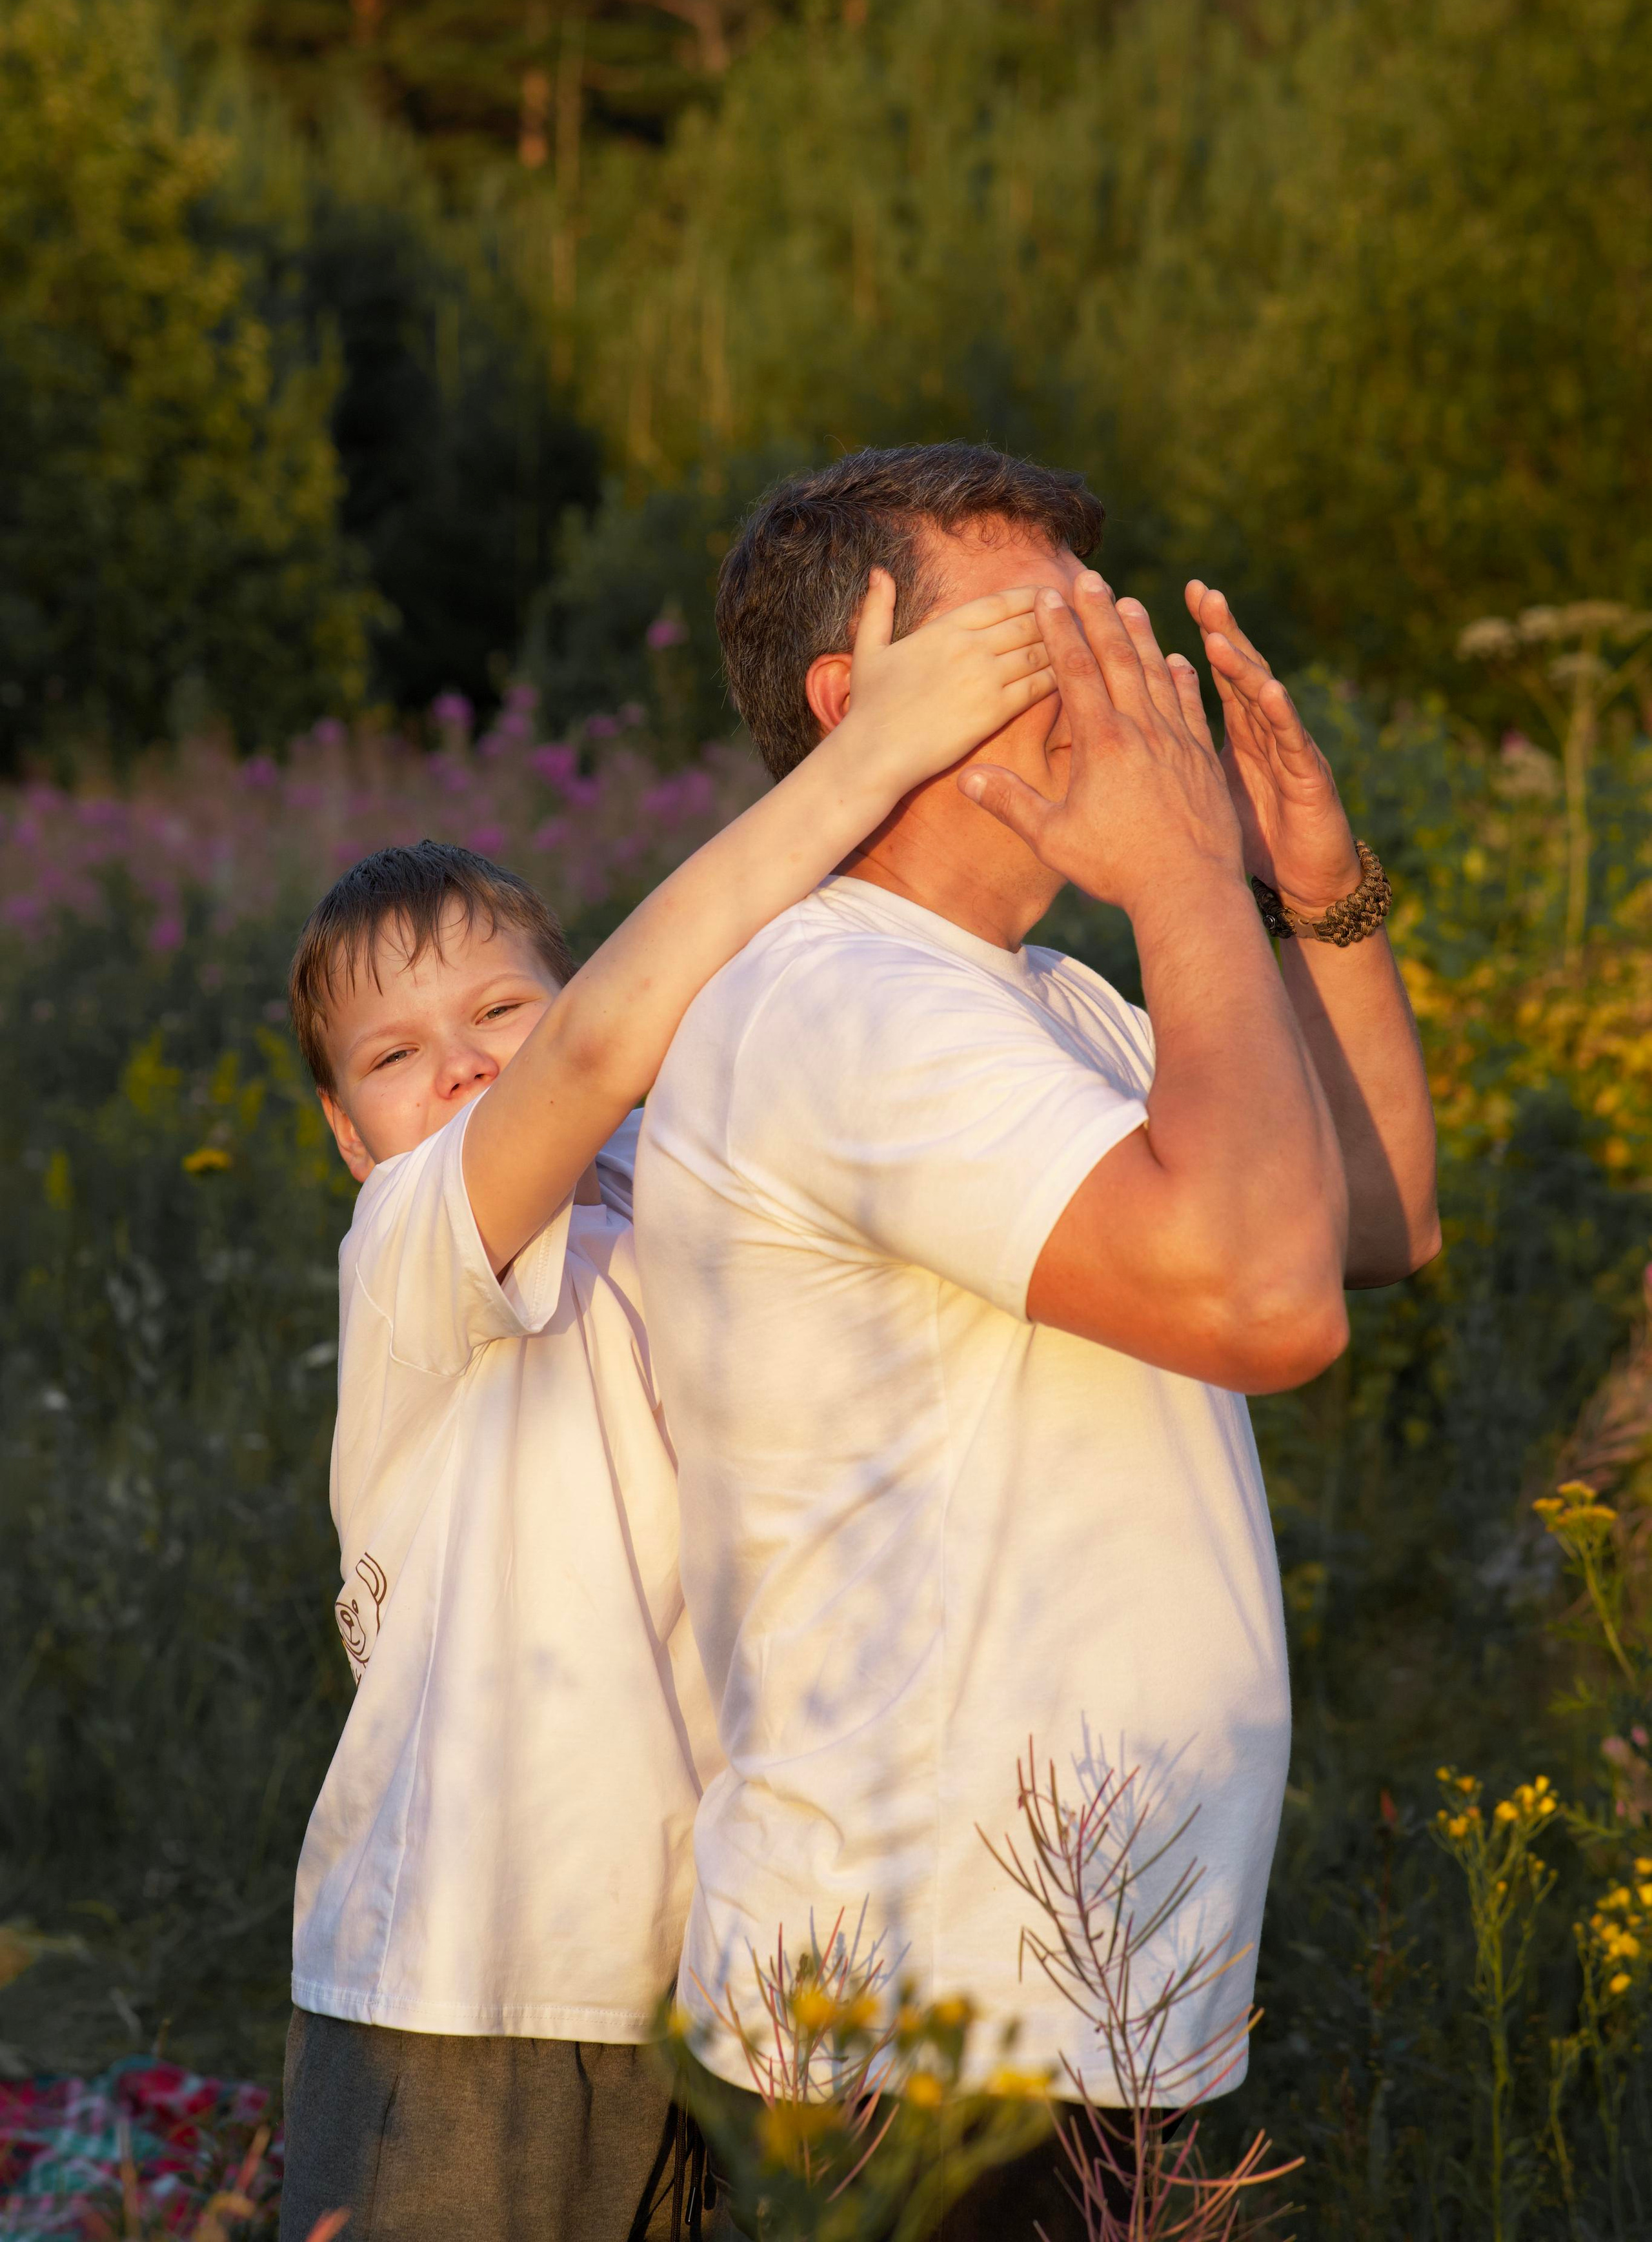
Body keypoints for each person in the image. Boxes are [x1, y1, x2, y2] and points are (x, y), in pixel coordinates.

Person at [633, 443, 1440, 2236]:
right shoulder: (844, 1002)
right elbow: (1261, 1305)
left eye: (1098, 626)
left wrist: (1304, 886)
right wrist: (1174, 879)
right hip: (928, 2002)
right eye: (1028, 641)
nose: (1097, 680)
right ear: (856, 704)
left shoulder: (1040, 1000)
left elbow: (1372, 1222)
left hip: (1073, 1994)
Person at [274, 572, 1056, 2242]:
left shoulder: (685, 1201)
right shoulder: (413, 1247)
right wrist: (859, 761)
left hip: (707, 1973)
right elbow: (601, 1051)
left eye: (500, 1010)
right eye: (397, 1057)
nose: (468, 1065)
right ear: (347, 1138)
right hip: (463, 1975)